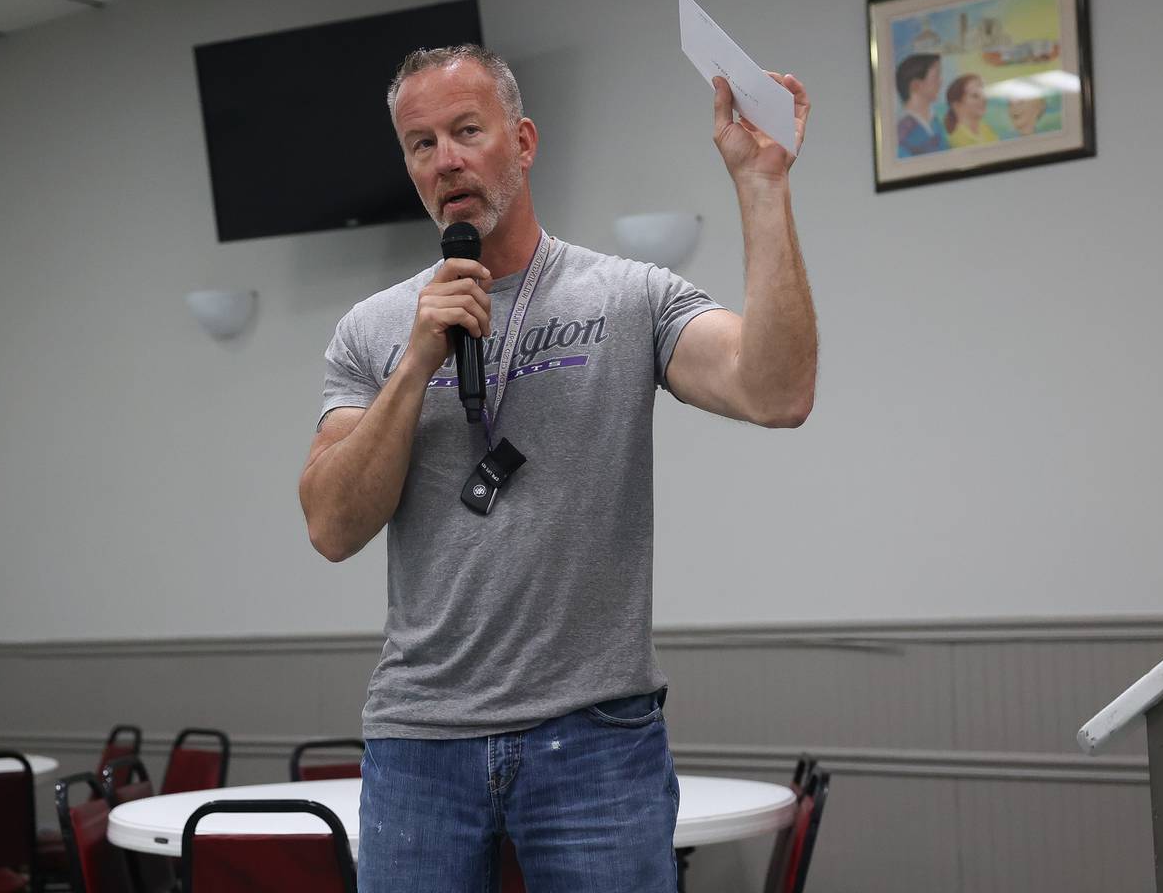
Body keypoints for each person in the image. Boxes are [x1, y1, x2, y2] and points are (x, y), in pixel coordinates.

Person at [298, 44, 817, 892]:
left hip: (596, 739)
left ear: (525, 141)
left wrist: (763, 187)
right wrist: (416, 364)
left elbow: (778, 390)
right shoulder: (376, 328)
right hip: (421, 740)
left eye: (468, 130)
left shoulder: (629, 296)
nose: (447, 159)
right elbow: (330, 525)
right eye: (422, 144)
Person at [894, 52, 946, 156]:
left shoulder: (936, 121)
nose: (941, 82)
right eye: (935, 77)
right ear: (916, 85)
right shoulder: (903, 130)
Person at [944, 73, 999, 147]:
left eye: (983, 94)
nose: (983, 99)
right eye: (975, 96)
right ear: (957, 105)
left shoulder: (986, 129)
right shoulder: (954, 139)